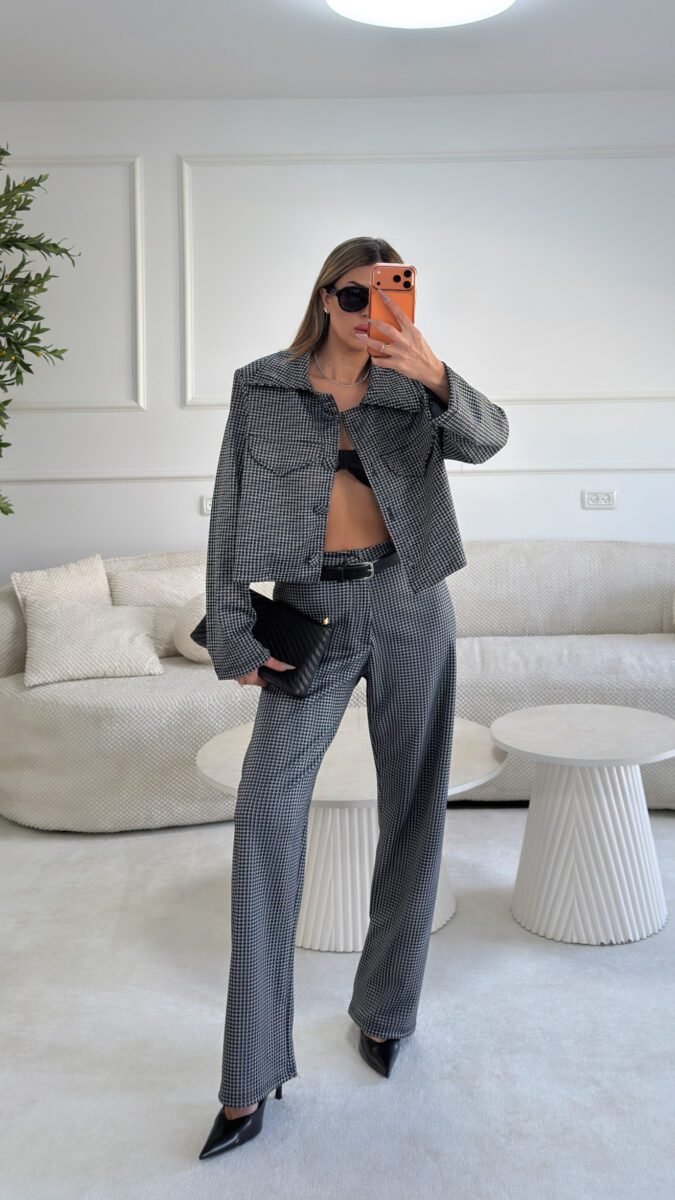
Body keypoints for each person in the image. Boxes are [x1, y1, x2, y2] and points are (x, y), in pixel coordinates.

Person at [199, 236, 510, 1158]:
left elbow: (490, 439)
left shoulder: (416, 384)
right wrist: (231, 630)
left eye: (387, 295)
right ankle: (250, 1077)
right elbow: (227, 508)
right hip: (309, 610)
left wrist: (431, 369)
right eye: (351, 294)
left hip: (410, 602)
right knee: (266, 814)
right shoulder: (260, 387)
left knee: (413, 807)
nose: (366, 311)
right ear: (322, 296)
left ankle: (385, 1012)